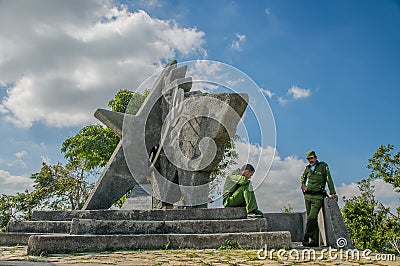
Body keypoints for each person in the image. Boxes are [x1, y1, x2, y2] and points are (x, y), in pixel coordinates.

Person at [301, 150, 338, 247]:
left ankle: (305, 236)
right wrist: (303, 185)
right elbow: (303, 177)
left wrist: (332, 192)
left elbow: (328, 178)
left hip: (318, 196)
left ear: (316, 158)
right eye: (308, 159)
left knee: (312, 217)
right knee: (312, 219)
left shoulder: (323, 166)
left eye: (312, 158)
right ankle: (314, 241)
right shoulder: (308, 168)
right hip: (308, 196)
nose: (310, 160)